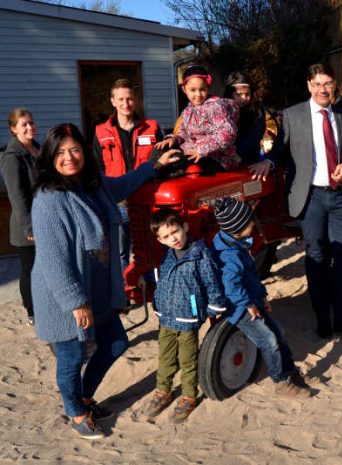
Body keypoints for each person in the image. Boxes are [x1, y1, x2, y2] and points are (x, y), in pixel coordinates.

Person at [31, 123, 176, 439]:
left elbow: (122, 184)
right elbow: (53, 259)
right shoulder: (48, 198)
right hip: (64, 292)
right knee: (72, 356)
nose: (69, 157)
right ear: (49, 157)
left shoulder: (90, 184)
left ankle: (82, 397)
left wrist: (153, 165)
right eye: (60, 152)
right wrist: (74, 301)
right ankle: (76, 413)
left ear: (84, 151)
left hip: (96, 284)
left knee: (115, 342)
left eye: (75, 149)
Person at [276, 63, 342, 339]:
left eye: (328, 84)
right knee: (317, 257)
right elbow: (279, 152)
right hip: (310, 198)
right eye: (318, 84)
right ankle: (323, 318)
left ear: (335, 85)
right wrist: (264, 163)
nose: (323, 89)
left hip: (339, 196)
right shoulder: (292, 115)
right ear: (309, 85)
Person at [211, 197, 313, 397]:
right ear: (238, 228)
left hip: (253, 300)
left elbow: (250, 278)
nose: (253, 224)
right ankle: (281, 383)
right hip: (240, 309)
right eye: (249, 222)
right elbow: (231, 286)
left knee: (278, 332)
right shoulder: (230, 256)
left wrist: (262, 296)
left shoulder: (237, 244)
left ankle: (291, 372)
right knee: (269, 341)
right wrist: (247, 303)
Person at [142, 209, 226, 422]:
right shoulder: (168, 256)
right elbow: (165, 280)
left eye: (175, 232)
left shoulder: (200, 254)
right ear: (160, 240)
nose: (174, 239)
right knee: (166, 357)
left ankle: (189, 395)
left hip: (188, 317)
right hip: (167, 316)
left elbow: (211, 282)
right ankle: (163, 391)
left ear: (185, 227)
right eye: (167, 236)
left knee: (188, 359)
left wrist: (215, 307)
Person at [93, 78, 164, 269]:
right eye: (121, 99)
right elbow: (98, 169)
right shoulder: (101, 132)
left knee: (151, 248)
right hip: (118, 202)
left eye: (130, 99)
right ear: (113, 101)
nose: (126, 104)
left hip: (147, 199)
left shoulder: (152, 128)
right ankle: (125, 292)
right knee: (119, 252)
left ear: (136, 100)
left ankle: (152, 289)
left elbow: (161, 163)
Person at [156, 64, 240, 172]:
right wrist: (173, 139)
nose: (198, 94)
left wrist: (202, 150)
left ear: (208, 88)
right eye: (193, 90)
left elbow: (228, 133)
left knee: (174, 162)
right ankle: (147, 172)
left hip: (215, 157)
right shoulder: (188, 110)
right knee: (160, 150)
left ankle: (158, 175)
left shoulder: (215, 107)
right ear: (184, 89)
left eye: (202, 89)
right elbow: (183, 133)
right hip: (193, 151)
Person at [0, 108, 39, 325]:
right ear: (14, 129)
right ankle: (32, 310)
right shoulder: (12, 157)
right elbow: (17, 196)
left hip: (44, 219)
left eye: (31, 123)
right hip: (26, 226)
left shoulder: (38, 149)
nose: (30, 127)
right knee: (30, 269)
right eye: (24, 124)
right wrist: (29, 227)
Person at [223, 71, 281, 181]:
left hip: (251, 161)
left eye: (247, 94)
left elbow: (254, 136)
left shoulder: (258, 112)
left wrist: (239, 154)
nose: (244, 98)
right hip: (227, 163)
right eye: (239, 95)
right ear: (230, 94)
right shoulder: (222, 111)